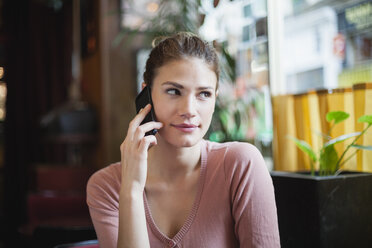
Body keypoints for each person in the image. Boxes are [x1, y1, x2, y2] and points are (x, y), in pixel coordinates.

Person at [87, 32, 280, 248]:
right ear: (146, 95)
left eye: (204, 94)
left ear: (215, 98)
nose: (189, 110)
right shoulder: (107, 186)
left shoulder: (241, 165)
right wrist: (131, 190)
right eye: (174, 91)